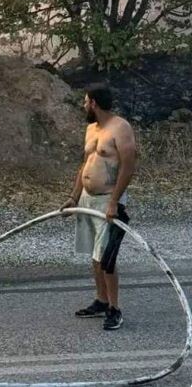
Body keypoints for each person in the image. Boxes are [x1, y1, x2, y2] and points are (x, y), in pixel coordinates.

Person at [61, 84, 136, 331]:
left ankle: (115, 308)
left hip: (108, 201)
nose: (83, 106)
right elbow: (85, 164)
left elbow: (128, 165)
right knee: (94, 256)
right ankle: (102, 300)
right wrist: (74, 197)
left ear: (93, 103)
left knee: (106, 258)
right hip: (87, 200)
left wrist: (115, 201)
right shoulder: (91, 129)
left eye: (85, 102)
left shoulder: (120, 127)